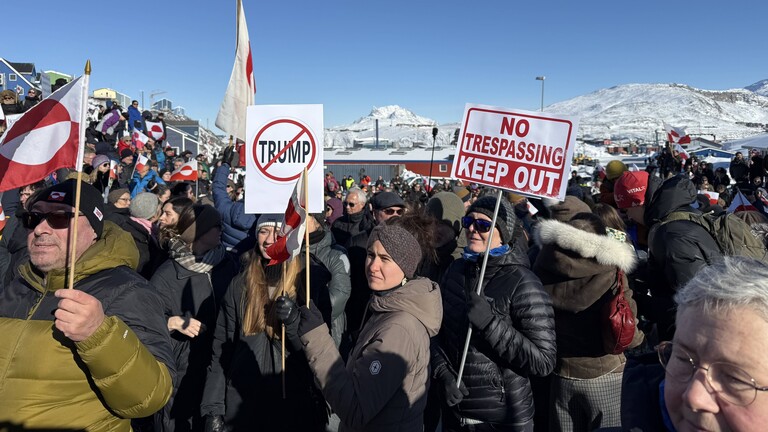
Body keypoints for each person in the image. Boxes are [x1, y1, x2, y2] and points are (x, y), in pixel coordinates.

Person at [0, 179, 174, 429]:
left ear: (93, 229)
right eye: (34, 218)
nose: (40, 229)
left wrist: (100, 335)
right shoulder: (20, 282)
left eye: (59, 218)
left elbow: (151, 397)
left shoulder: (127, 289)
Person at [276, 214, 443, 431]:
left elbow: (355, 410)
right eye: (371, 255)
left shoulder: (399, 328)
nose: (373, 266)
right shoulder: (386, 306)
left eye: (385, 259)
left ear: (406, 268)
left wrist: (317, 337)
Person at [432, 194, 556, 432]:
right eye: (469, 222)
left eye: (483, 225)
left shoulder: (523, 282)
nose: (472, 230)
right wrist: (444, 374)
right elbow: (435, 332)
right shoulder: (456, 271)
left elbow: (543, 361)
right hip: (456, 413)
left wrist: (490, 324)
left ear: (503, 234)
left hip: (503, 418)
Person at [200, 214, 328, 431]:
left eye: (277, 232)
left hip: (294, 408)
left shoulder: (308, 284)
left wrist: (294, 324)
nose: (269, 240)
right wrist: (213, 409)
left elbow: (320, 355)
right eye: (263, 231)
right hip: (244, 407)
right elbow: (222, 350)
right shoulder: (239, 285)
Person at [533, 213, 644, 432]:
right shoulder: (613, 271)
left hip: (561, 371)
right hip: (604, 370)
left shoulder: (542, 265)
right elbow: (627, 327)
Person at [151, 204, 238, 432]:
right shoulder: (167, 273)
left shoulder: (229, 265)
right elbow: (145, 321)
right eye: (215, 226)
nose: (221, 229)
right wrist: (172, 322)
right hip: (184, 370)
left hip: (222, 366)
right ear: (197, 232)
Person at [211, 162, 257, 251]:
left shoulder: (225, 209)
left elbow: (218, 188)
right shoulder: (266, 216)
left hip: (228, 258)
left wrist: (225, 165)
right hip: (254, 260)